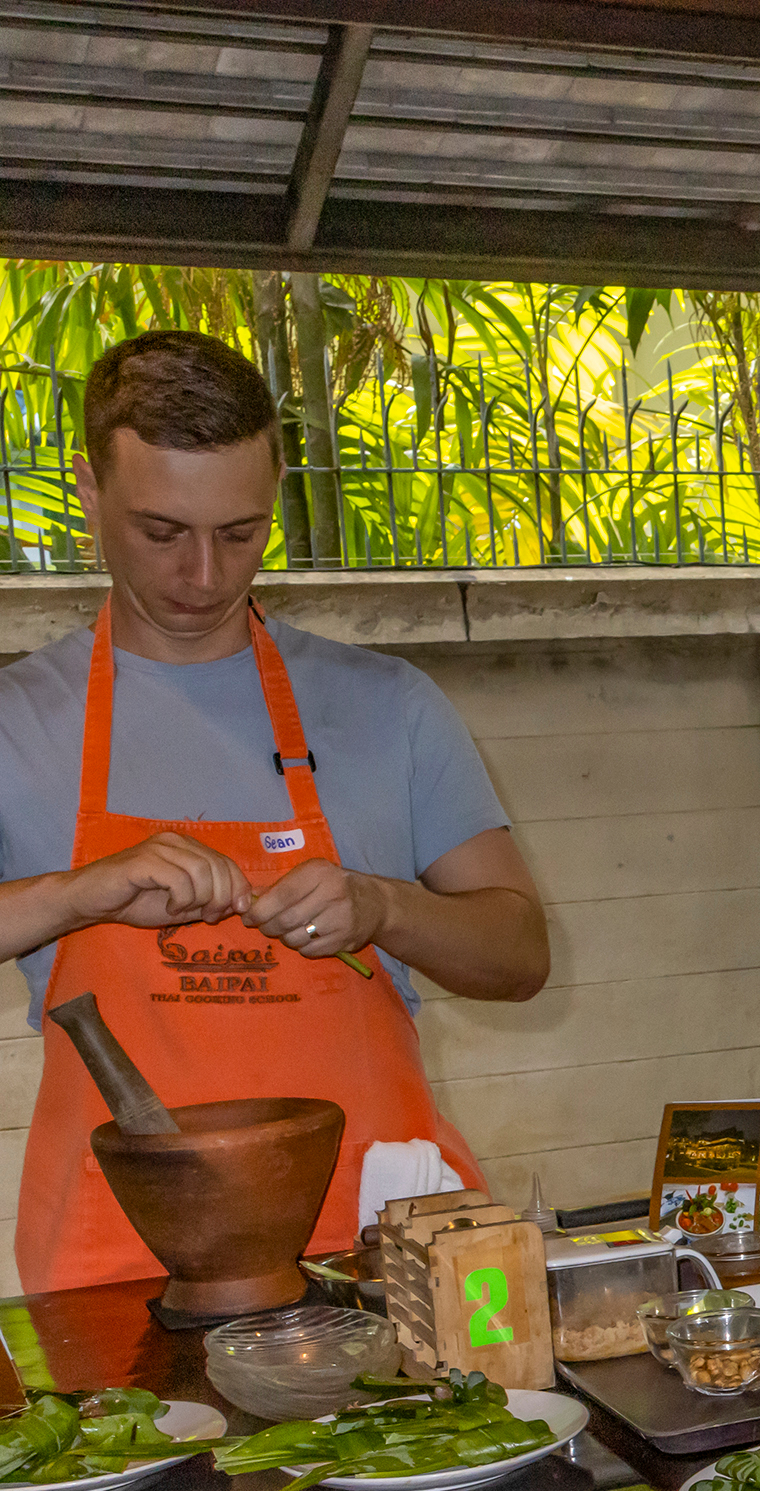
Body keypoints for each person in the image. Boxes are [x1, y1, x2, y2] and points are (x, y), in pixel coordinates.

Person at [0, 331, 546, 1293]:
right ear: (87, 489)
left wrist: (384, 907)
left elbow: (519, 957)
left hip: (383, 1255)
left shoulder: (387, 706)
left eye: (241, 532)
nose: (205, 576)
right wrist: (73, 894)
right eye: (162, 531)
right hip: (125, 1273)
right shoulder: (18, 724)